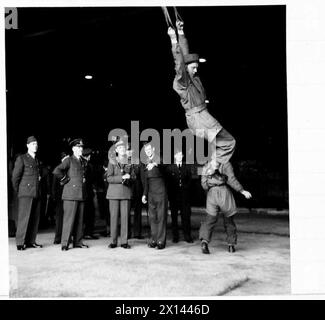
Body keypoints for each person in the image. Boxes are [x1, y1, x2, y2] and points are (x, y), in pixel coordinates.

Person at [167, 20, 236, 166]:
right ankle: (212, 168)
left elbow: (185, 55)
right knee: (229, 142)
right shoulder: (182, 81)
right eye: (194, 68)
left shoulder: (193, 77)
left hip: (202, 116)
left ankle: (212, 166)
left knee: (227, 143)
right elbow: (179, 62)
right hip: (198, 119)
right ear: (186, 69)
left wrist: (180, 32)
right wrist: (173, 40)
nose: (196, 70)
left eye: (197, 67)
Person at [199, 158, 252, 254]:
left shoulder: (206, 166)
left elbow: (204, 185)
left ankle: (204, 242)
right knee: (229, 220)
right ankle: (231, 245)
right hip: (224, 193)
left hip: (212, 194)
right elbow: (231, 179)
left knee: (210, 219)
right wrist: (242, 191)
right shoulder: (226, 163)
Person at [53, 138, 89, 251]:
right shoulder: (69, 160)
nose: (80, 149)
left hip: (81, 194)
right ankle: (65, 243)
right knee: (69, 220)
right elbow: (56, 170)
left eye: (81, 147)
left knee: (79, 220)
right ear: (73, 148)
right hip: (70, 194)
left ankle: (78, 242)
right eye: (78, 147)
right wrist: (65, 179)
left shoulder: (83, 161)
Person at [11, 136, 43, 250]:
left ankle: (31, 241)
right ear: (28, 145)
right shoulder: (22, 158)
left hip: (36, 193)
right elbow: (15, 178)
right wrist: (19, 191)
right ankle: (20, 243)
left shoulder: (37, 160)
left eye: (36, 144)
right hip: (25, 193)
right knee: (24, 218)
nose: (35, 146)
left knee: (34, 218)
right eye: (33, 144)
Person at [106, 140, 135, 249]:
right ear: (116, 150)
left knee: (125, 218)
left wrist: (130, 177)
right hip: (113, 194)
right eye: (120, 148)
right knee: (113, 218)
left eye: (124, 148)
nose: (122, 150)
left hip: (126, 193)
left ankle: (124, 241)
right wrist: (121, 177)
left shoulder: (130, 161)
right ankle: (113, 241)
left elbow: (134, 177)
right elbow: (108, 178)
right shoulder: (112, 161)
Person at [141, 142, 168, 249]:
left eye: (149, 149)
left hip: (161, 192)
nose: (147, 152)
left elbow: (165, 167)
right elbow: (146, 181)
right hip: (150, 193)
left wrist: (156, 163)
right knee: (152, 218)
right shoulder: (145, 162)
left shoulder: (160, 158)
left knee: (161, 217)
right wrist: (144, 194)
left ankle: (161, 241)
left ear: (153, 149)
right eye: (146, 150)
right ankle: (154, 239)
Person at [166, 149, 193, 243]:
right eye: (178, 155)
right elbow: (168, 184)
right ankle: (175, 236)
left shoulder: (187, 167)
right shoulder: (170, 168)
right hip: (174, 197)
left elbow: (190, 181)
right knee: (174, 217)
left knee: (186, 217)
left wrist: (186, 190)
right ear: (174, 156)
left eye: (181, 155)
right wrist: (169, 197)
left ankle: (187, 236)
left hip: (185, 197)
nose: (180, 156)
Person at [82, 148, 99, 240]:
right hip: (86, 193)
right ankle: (87, 232)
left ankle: (88, 232)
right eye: (89, 155)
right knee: (88, 213)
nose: (89, 157)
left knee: (89, 213)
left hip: (88, 193)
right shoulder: (86, 165)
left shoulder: (88, 165)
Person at [51, 152, 69, 244]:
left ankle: (66, 237)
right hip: (59, 198)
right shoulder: (58, 169)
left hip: (67, 196)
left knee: (67, 217)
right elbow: (54, 186)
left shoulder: (68, 168)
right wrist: (54, 197)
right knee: (59, 218)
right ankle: (58, 238)